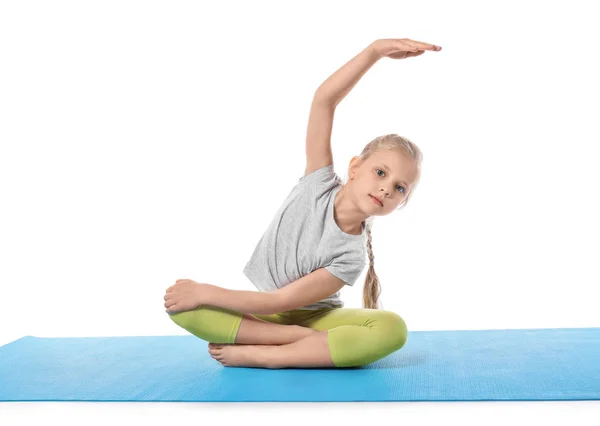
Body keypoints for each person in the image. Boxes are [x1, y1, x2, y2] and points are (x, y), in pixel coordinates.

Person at [163, 38, 442, 369]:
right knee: (182, 305)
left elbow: (279, 301)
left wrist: (208, 291)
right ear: (354, 168)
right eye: (380, 172)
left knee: (391, 329)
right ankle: (298, 343)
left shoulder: (350, 258)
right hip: (262, 313)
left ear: (401, 202)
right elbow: (324, 100)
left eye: (399, 188)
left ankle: (268, 354)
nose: (385, 189)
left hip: (313, 320)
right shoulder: (318, 183)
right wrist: (374, 52)